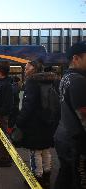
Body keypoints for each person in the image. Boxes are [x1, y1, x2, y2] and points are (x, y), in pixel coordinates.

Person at [15, 60, 60, 189]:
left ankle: (36, 178)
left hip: (34, 124)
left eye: (27, 68)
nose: (25, 70)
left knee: (35, 152)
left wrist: (19, 120)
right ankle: (46, 176)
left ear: (34, 69)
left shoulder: (32, 82)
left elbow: (28, 105)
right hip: (48, 122)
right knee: (46, 151)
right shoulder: (51, 80)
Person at [54, 41, 86, 189]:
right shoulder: (78, 80)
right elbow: (84, 116)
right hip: (76, 141)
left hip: (64, 136)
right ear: (76, 58)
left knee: (66, 174)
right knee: (78, 179)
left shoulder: (66, 78)